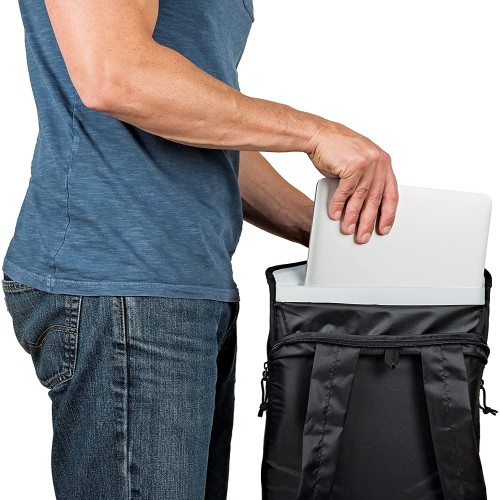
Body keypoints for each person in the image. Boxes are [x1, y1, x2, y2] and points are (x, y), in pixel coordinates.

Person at [1, 1, 398, 499]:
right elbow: (115, 75)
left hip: (187, 286)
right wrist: (315, 132)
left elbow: (202, 127)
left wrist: (323, 230)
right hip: (123, 279)